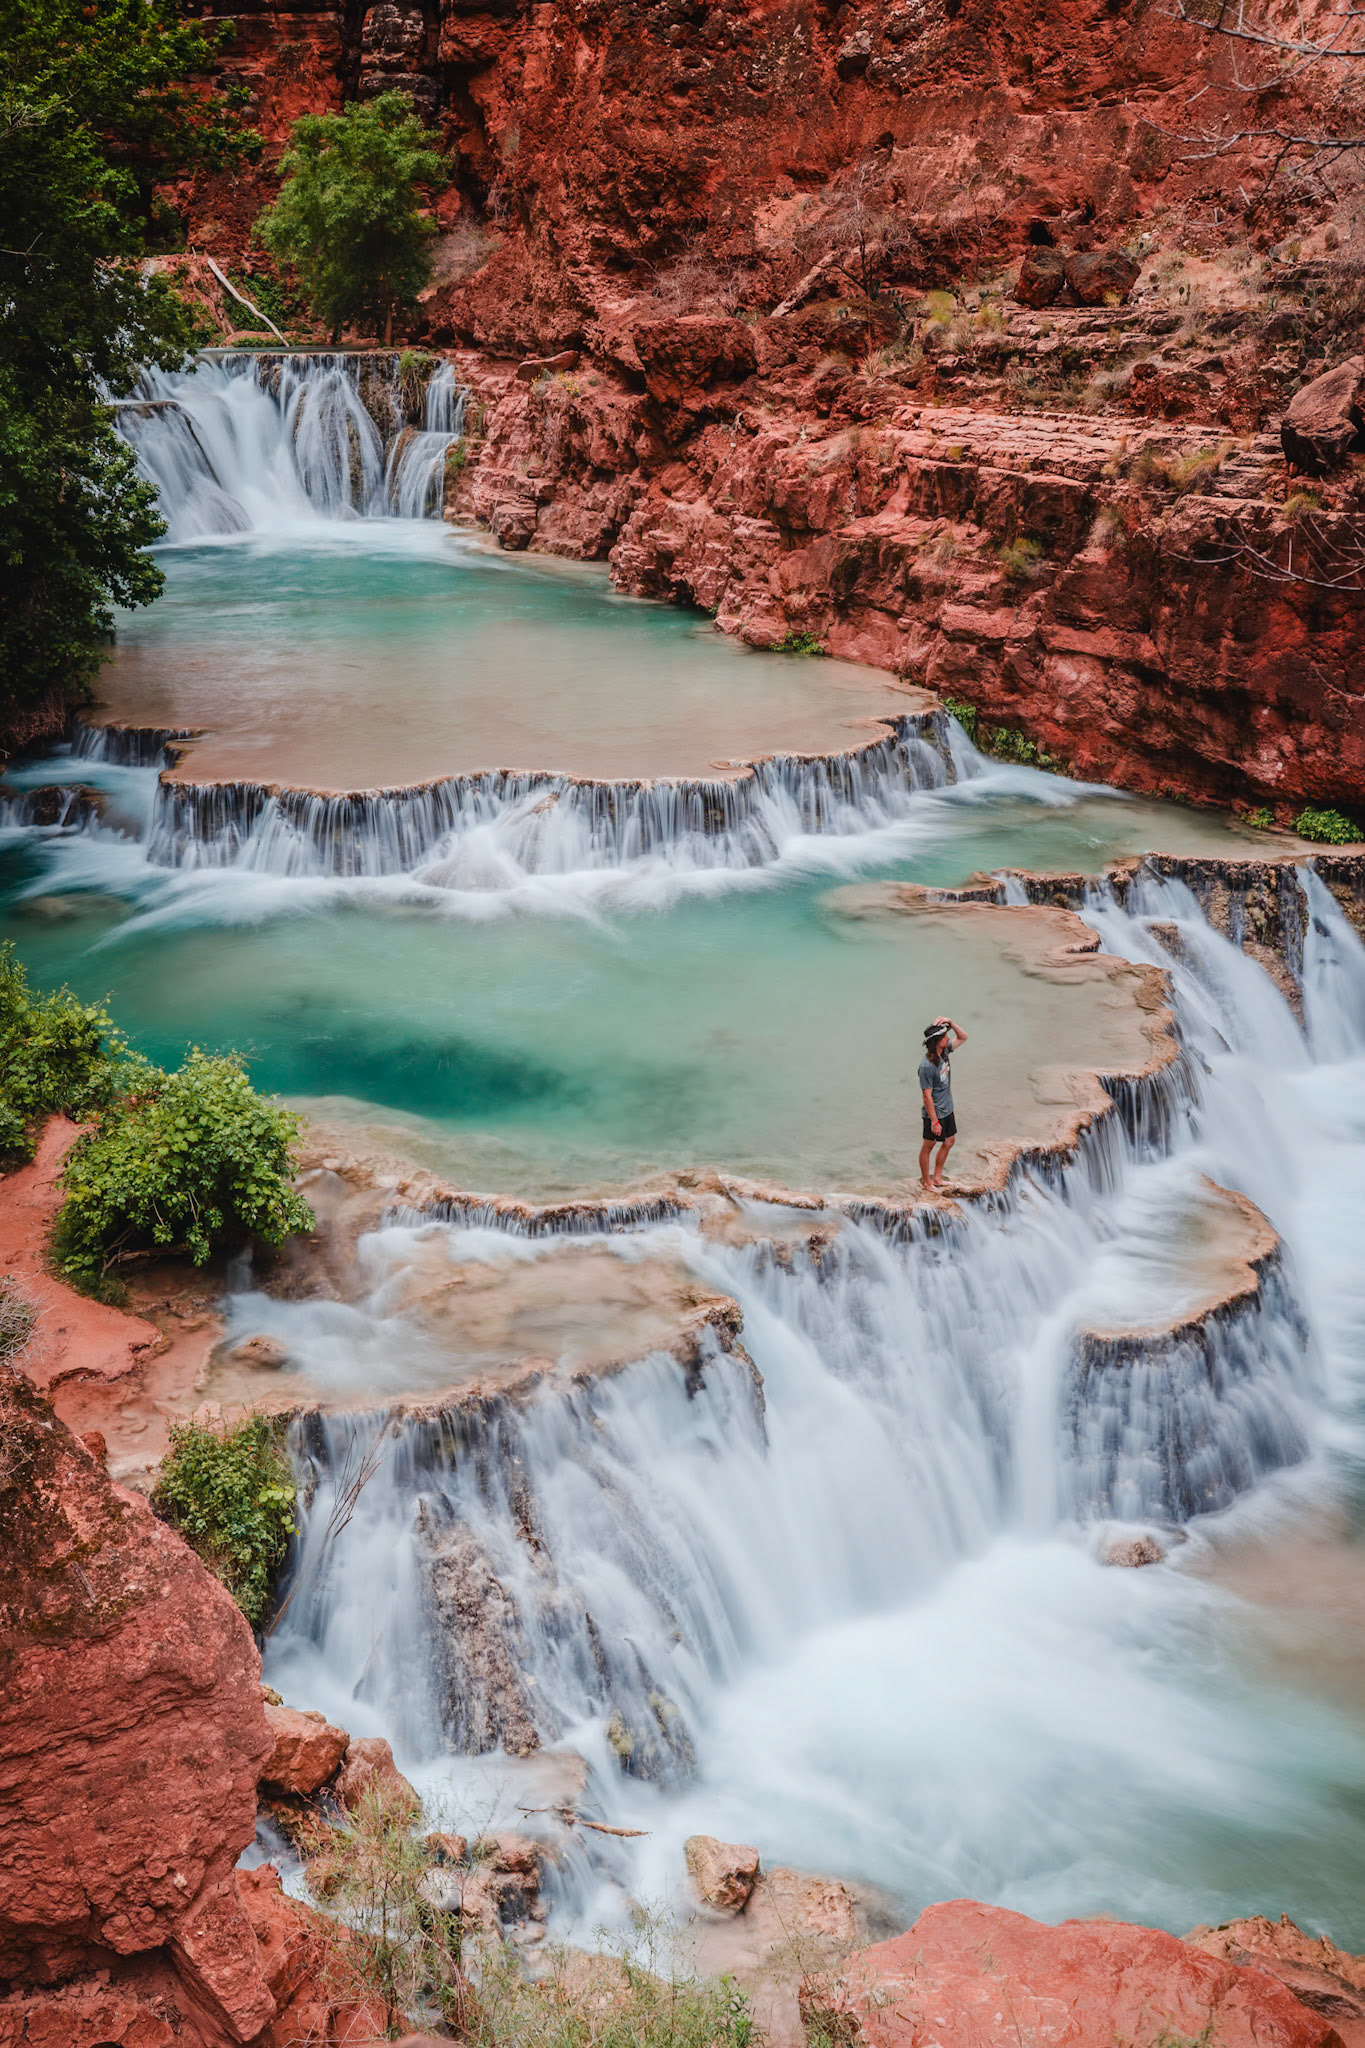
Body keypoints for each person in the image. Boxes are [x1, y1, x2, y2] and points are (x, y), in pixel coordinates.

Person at [918, 1014, 968, 1190]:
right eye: (944, 1036)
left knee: (949, 1141)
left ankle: (937, 1177)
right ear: (937, 1041)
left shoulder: (944, 1051)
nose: (948, 1038)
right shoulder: (926, 1066)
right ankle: (927, 1182)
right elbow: (927, 1096)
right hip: (935, 1112)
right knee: (928, 1145)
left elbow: (964, 1037)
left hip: (947, 1108)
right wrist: (934, 1121)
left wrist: (952, 1022)